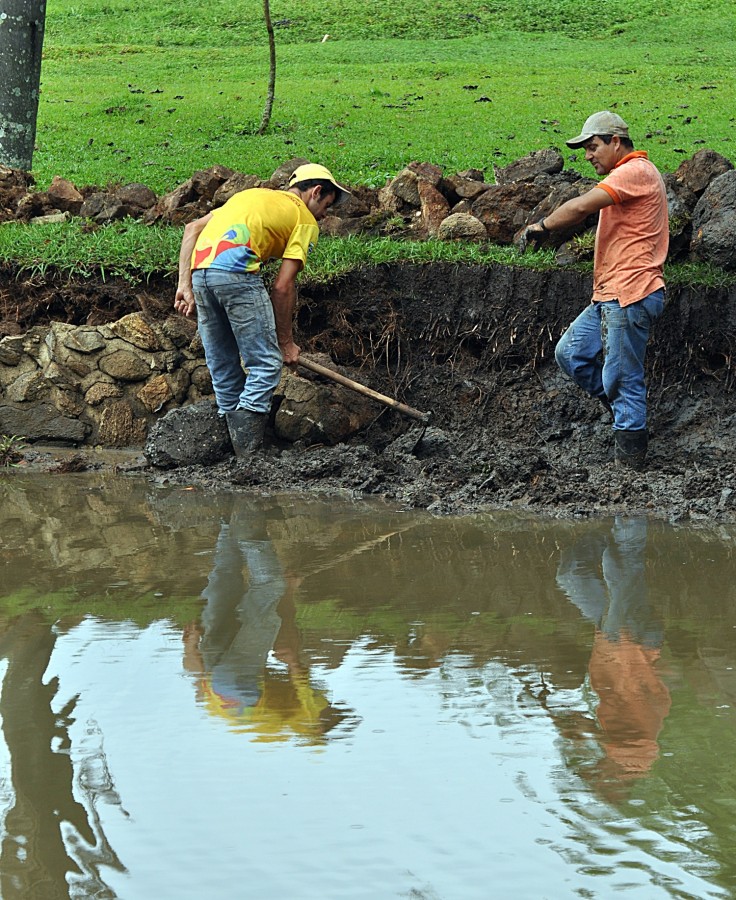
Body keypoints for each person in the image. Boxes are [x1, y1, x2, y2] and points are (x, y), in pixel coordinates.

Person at [520, 111, 669, 470]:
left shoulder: (636, 172)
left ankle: (630, 465)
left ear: (615, 142)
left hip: (631, 292)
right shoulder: (625, 174)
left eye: (593, 146)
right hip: (610, 294)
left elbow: (582, 206)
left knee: (622, 377)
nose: (588, 155)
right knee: (570, 354)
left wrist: (542, 225)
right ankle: (624, 412)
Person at [174, 163, 349, 455]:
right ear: (316, 192)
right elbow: (282, 286)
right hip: (237, 271)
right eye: (328, 205)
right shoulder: (304, 218)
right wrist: (286, 344)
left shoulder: (249, 196)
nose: (325, 214)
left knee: (223, 364)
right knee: (266, 363)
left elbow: (192, 228)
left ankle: (233, 446)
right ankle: (249, 453)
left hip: (201, 273)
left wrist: (184, 286)